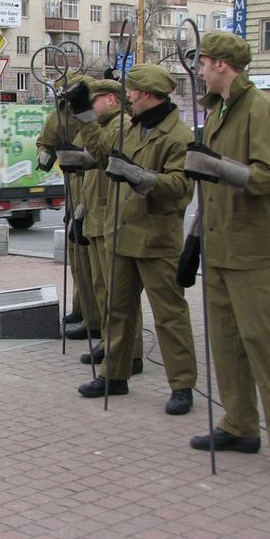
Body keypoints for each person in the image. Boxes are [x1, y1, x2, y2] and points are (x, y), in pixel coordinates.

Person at [184, 31, 270, 481]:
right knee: (227, 343)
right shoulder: (218, 112)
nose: (198, 71)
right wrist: (194, 241)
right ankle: (240, 424)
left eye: (203, 63)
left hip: (255, 250)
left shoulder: (262, 109)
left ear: (220, 65)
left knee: (265, 345)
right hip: (220, 246)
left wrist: (215, 166)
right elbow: (210, 186)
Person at [74, 65, 198, 416]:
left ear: (145, 94)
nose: (128, 97)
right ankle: (115, 375)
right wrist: (84, 113)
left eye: (132, 92)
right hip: (121, 232)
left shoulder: (178, 136)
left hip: (157, 239)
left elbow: (181, 188)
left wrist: (138, 175)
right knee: (118, 310)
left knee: (169, 315)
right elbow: (99, 151)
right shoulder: (130, 128)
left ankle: (182, 384)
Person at [68, 79, 145, 373]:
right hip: (96, 214)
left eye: (95, 100)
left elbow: (105, 159)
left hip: (109, 214)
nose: (92, 106)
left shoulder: (120, 125)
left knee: (118, 293)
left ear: (110, 100)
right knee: (103, 288)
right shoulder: (105, 126)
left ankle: (130, 351)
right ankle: (112, 342)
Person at [36, 73, 102, 342]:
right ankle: (83, 310)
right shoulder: (59, 114)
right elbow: (45, 142)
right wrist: (47, 156)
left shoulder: (94, 114)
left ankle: (95, 319)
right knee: (76, 257)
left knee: (91, 262)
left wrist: (75, 153)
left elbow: (100, 148)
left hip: (93, 184)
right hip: (73, 187)